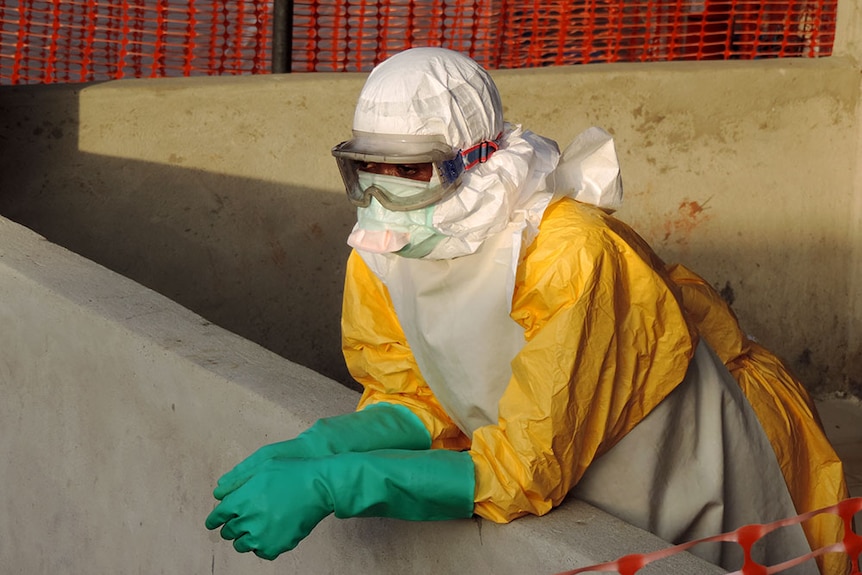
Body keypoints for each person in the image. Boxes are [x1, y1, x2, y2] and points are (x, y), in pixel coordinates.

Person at [205, 47, 849, 574]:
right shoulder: (383, 250)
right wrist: (319, 446)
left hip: (697, 477)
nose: (382, 193)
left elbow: (524, 471)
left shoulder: (569, 253)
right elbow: (418, 398)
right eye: (364, 168)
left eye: (408, 170)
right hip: (597, 487)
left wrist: (341, 485)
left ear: (477, 161)